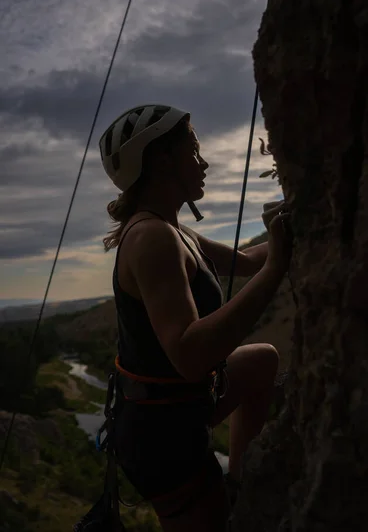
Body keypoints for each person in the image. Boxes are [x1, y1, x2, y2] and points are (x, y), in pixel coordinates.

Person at [99, 104, 292, 532]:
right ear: (162, 159)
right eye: (194, 150)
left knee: (262, 360)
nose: (203, 163)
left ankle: (238, 481)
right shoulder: (152, 238)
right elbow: (189, 354)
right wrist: (278, 267)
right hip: (161, 437)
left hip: (174, 408)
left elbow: (244, 262)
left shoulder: (173, 229)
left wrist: (292, 228)